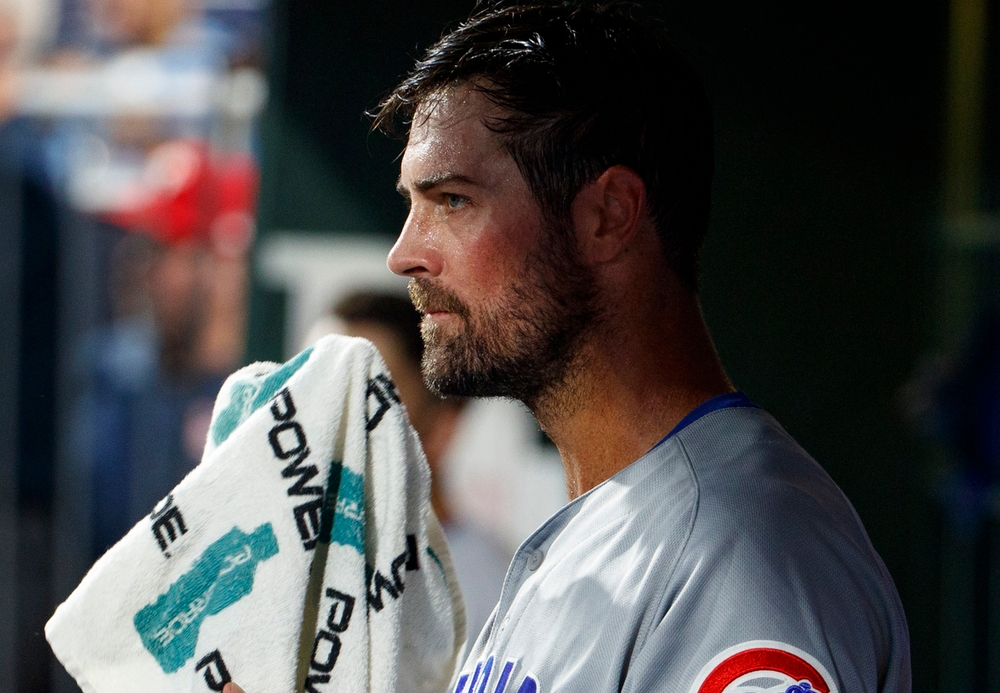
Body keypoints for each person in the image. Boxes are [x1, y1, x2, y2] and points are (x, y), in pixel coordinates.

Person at [230, 2, 910, 691]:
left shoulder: (741, 554)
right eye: (412, 203)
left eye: (453, 200)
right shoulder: (609, 527)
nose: (406, 253)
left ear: (608, 215)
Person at [331, 290, 512, 639]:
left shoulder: (487, 592)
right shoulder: (279, 564)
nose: (334, 412)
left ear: (443, 425)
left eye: (367, 392)